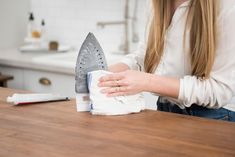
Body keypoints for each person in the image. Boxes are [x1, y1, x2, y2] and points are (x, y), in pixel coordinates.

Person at [98, 0, 235, 122]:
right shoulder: (156, 4)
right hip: (166, 110)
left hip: (215, 117)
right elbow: (147, 56)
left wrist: (147, 82)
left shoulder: (227, 7)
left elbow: (219, 90)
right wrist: (108, 72)